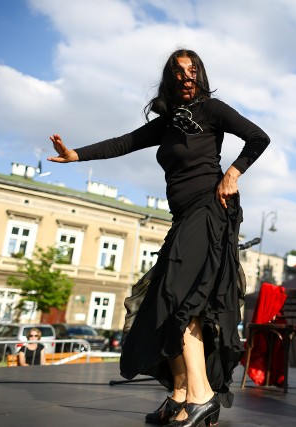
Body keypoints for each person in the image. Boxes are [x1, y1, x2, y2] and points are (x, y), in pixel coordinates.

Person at [48, 48, 270, 427]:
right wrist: (76, 155)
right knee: (158, 301)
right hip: (183, 216)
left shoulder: (213, 110)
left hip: (209, 209)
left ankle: (202, 396)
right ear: (169, 78)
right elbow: (124, 143)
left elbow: (258, 137)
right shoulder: (166, 121)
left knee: (179, 298)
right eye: (179, 70)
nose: (186, 75)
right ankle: (182, 393)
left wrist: (233, 173)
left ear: (200, 74)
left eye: (193, 69)